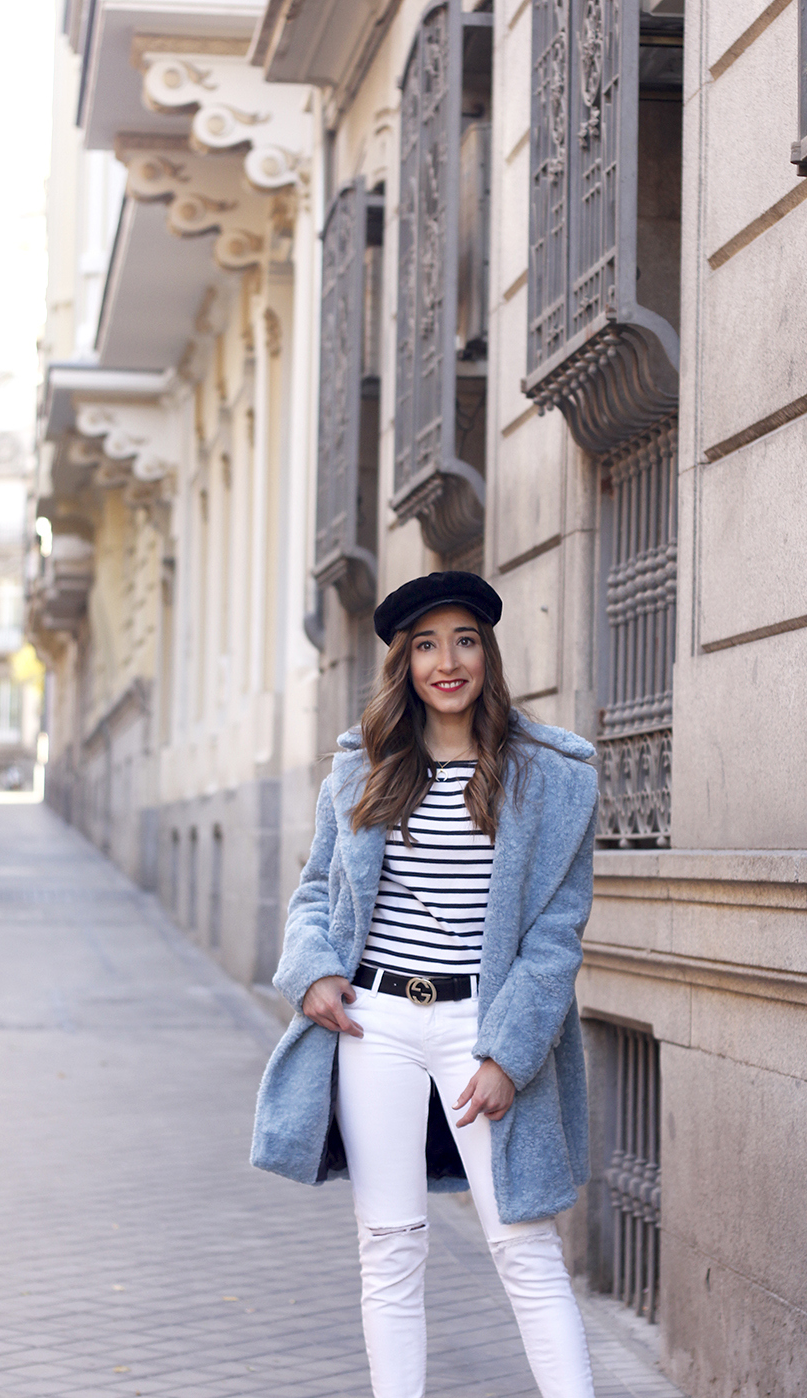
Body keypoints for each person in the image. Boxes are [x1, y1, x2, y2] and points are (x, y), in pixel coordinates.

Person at [252, 571, 600, 1398]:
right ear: (404, 663)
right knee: (391, 1244)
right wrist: (314, 974)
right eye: (427, 645)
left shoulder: (549, 774)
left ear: (489, 652)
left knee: (524, 1244)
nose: (449, 662)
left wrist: (509, 1055)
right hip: (374, 1025)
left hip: (483, 1029)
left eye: (465, 640)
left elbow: (555, 937)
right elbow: (315, 892)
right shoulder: (365, 764)